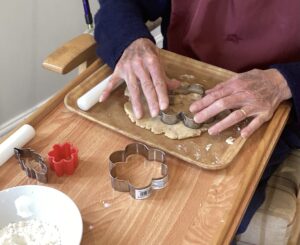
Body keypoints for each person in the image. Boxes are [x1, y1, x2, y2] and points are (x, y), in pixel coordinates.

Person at [94, 0, 300, 240]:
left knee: (202, 219)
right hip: (179, 83)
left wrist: (283, 82)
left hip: (271, 109)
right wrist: (130, 42)